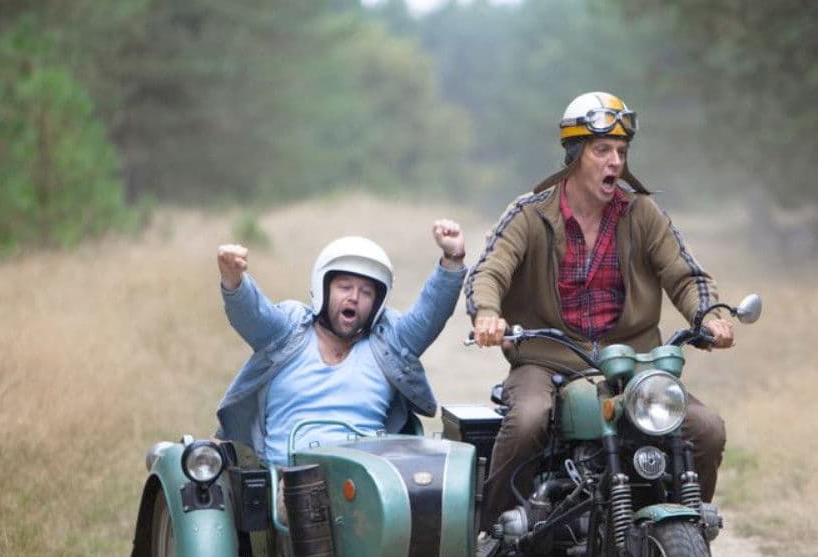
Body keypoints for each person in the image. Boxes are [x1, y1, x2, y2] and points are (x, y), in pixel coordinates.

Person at [466, 91, 734, 529]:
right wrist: (486, 314)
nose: (615, 162)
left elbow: (686, 276)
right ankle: (496, 531)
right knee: (529, 418)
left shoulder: (642, 213)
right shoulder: (530, 214)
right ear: (574, 155)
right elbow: (489, 271)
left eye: (622, 152)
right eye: (602, 150)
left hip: (631, 363)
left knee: (706, 429)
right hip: (546, 360)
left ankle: (684, 534)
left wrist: (708, 317)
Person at [216, 220, 467, 466]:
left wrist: (452, 259)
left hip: (366, 483)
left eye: (366, 292)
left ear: (377, 303)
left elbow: (429, 316)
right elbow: (252, 315)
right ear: (323, 288)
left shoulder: (389, 343)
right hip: (286, 481)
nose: (354, 297)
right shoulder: (287, 330)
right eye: (344, 287)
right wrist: (234, 280)